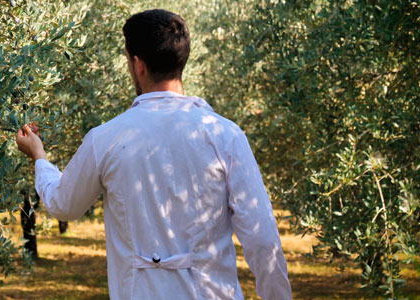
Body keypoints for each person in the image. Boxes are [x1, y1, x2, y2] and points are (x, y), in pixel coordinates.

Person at [15, 9, 292, 300]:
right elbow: (262, 238)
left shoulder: (106, 139)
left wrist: (40, 157)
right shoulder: (225, 136)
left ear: (138, 65)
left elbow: (63, 205)